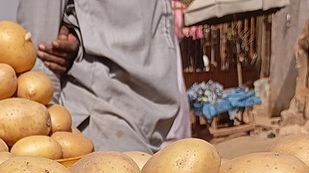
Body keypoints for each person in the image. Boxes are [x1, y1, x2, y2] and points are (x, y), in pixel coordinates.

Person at [17, 0, 190, 153]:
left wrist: (78, 33)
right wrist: (48, 135)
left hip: (150, 120)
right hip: (104, 116)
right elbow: (38, 52)